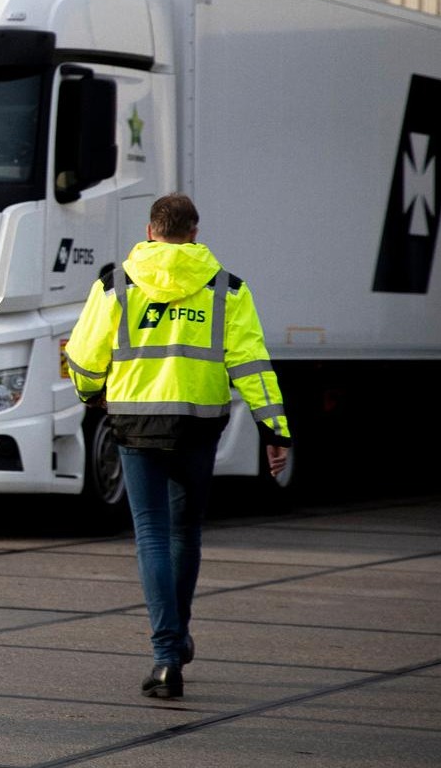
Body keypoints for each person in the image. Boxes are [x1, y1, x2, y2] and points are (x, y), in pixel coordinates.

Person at [64, 193, 291, 699]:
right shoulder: (226, 290)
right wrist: (275, 431)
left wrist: (91, 393)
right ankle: (178, 637)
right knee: (185, 533)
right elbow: (253, 364)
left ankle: (166, 657)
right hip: (198, 425)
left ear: (150, 231)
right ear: (193, 232)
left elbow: (82, 354)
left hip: (134, 422)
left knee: (151, 534)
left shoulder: (115, 284)